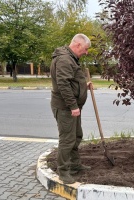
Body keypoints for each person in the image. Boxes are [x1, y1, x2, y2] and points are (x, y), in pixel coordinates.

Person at [50, 33, 92, 184]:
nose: (86, 52)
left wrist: (83, 86)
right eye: (86, 49)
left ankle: (75, 165)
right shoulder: (64, 59)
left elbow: (71, 81)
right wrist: (73, 106)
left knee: (76, 136)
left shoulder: (71, 58)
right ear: (78, 45)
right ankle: (63, 171)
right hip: (65, 107)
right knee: (67, 140)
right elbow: (63, 85)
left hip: (73, 107)